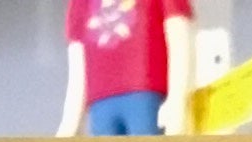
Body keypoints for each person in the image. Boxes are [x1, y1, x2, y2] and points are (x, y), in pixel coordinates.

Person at [59, 0, 195, 134]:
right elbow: (78, 62)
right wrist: (69, 125)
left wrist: (177, 100)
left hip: (145, 94)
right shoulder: (80, 3)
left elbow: (178, 34)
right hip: (100, 103)